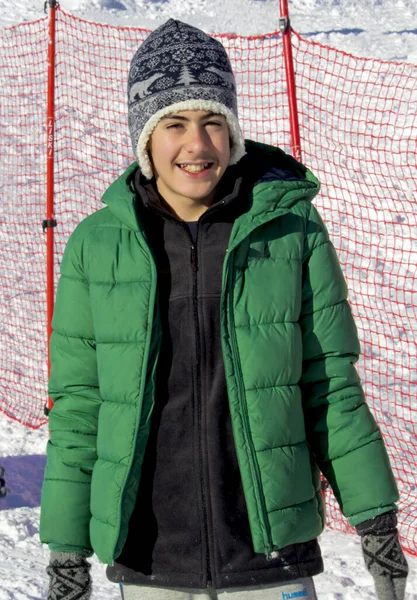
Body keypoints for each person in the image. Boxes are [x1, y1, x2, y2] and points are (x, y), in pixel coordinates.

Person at [39, 18, 408, 600]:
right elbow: (81, 406)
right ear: (145, 138)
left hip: (271, 554)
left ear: (233, 134)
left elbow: (329, 383)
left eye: (214, 122)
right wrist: (66, 548)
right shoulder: (96, 245)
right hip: (151, 557)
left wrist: (375, 518)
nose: (198, 144)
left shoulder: (291, 231)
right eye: (175, 123)